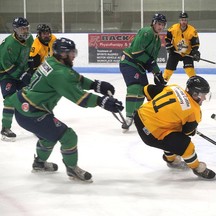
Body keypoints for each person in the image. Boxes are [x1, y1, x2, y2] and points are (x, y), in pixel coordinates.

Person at [6, 37, 124, 182]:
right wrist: (102, 101)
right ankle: (72, 169)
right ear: (62, 54)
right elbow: (80, 97)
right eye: (71, 52)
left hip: (25, 107)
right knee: (68, 136)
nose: (74, 55)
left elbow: (75, 78)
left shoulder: (52, 61)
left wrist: (96, 85)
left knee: (48, 136)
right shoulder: (60, 73)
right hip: (32, 112)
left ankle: (39, 164)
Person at [134, 75, 216, 180]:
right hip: (150, 134)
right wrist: (193, 129)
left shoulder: (174, 87)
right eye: (203, 95)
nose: (204, 98)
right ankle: (197, 168)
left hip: (139, 115)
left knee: (171, 130)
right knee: (185, 145)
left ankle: (171, 159)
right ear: (195, 94)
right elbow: (187, 132)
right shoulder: (194, 112)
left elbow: (147, 90)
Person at [119, 13, 167, 132]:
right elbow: (136, 51)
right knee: (134, 87)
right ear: (154, 23)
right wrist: (151, 65)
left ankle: (136, 115)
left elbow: (151, 61)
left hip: (139, 66)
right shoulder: (146, 32)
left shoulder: (157, 41)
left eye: (163, 25)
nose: (160, 27)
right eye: (159, 24)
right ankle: (128, 117)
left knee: (143, 90)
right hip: (129, 62)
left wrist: (157, 73)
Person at [0, 17, 34, 141]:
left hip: (21, 71)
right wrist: (22, 76)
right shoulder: (9, 44)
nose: (25, 31)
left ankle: (36, 125)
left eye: (27, 28)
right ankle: (5, 128)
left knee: (30, 97)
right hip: (5, 74)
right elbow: (6, 65)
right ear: (15, 30)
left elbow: (30, 55)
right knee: (10, 99)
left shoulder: (30, 38)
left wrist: (31, 68)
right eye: (22, 28)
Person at [163, 12, 201, 83]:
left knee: (189, 70)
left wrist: (195, 52)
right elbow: (168, 37)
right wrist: (168, 44)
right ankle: (163, 83)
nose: (183, 22)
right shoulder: (173, 28)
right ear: (179, 20)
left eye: (185, 20)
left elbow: (195, 44)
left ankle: (195, 83)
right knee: (169, 69)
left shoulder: (192, 31)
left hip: (187, 53)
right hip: (175, 52)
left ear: (187, 21)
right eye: (182, 20)